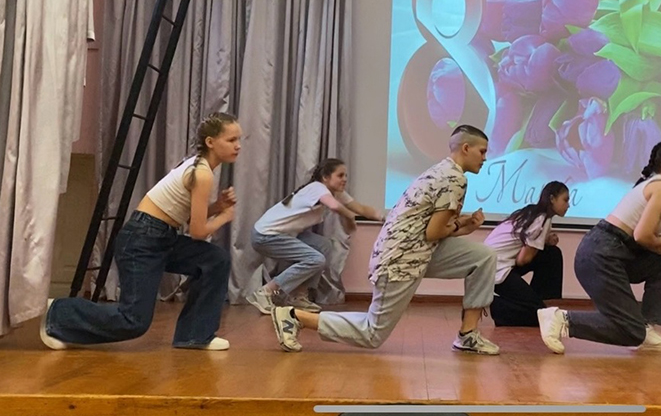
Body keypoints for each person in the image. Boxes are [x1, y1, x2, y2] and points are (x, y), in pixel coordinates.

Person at [270, 124, 499, 355]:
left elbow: (431, 230)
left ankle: (468, 335)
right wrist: (459, 225)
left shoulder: (443, 171)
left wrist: (465, 226)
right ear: (466, 148)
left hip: (420, 250)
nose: (485, 158)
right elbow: (434, 232)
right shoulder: (454, 179)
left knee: (483, 257)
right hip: (401, 258)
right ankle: (294, 316)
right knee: (372, 334)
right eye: (482, 152)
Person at [41, 112, 241, 350]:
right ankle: (57, 313)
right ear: (210, 142)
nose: (238, 146)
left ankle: (195, 335)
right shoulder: (202, 173)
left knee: (215, 259)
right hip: (142, 240)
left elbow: (186, 216)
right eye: (231, 140)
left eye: (239, 139)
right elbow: (197, 232)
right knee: (133, 321)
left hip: (160, 236)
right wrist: (224, 216)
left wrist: (217, 207)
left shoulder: (198, 166)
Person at [537, 139, 661, 354]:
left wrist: (660, 244)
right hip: (602, 254)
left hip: (608, 251)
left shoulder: (651, 184)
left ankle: (647, 329)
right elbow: (642, 235)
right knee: (631, 331)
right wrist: (660, 243)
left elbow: (639, 234)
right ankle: (562, 319)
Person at [247, 158, 382, 313]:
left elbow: (361, 208)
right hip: (265, 235)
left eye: (346, 175)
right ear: (325, 177)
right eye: (340, 175)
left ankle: (298, 296)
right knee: (316, 259)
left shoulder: (336, 193)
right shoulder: (317, 188)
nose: (344, 179)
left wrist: (384, 217)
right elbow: (334, 206)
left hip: (286, 235)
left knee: (324, 246)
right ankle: (265, 292)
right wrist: (349, 216)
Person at [485, 181, 569, 327]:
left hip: (492, 263)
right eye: (565, 200)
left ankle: (538, 299)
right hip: (496, 269)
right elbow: (522, 260)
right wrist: (539, 244)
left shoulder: (533, 213)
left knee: (552, 253)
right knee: (540, 317)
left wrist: (545, 241)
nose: (568, 205)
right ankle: (498, 307)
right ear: (552, 199)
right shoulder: (541, 220)